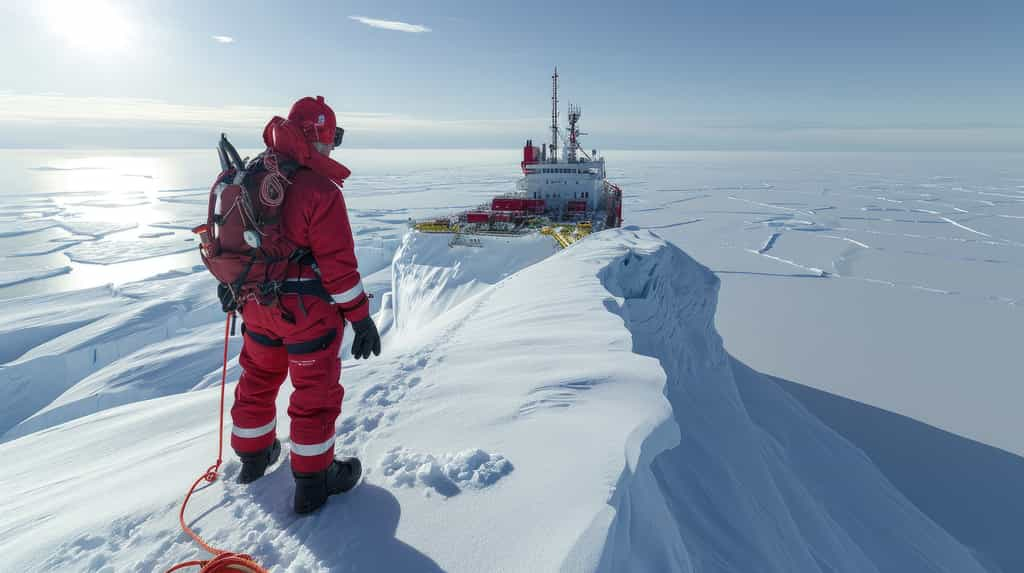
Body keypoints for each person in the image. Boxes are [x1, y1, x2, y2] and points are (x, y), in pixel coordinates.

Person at [220, 96, 381, 514]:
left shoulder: (254, 172)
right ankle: (314, 481)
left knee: (257, 378)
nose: (331, 151)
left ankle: (254, 458)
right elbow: (339, 270)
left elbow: (230, 240)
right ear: (319, 139)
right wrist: (361, 320)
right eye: (330, 141)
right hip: (306, 313)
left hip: (254, 304)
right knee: (314, 392)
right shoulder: (319, 190)